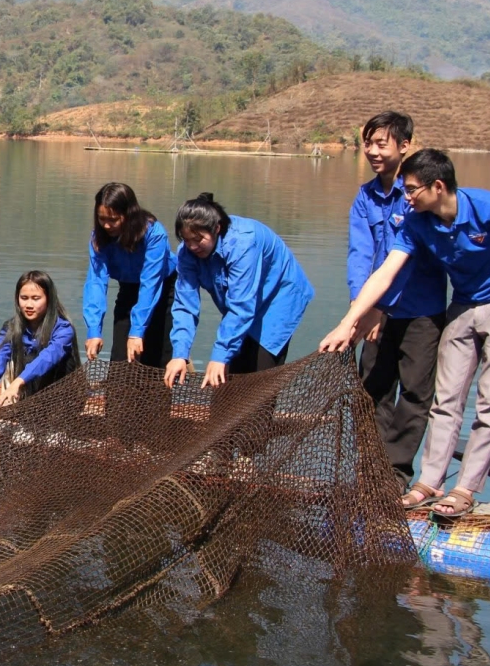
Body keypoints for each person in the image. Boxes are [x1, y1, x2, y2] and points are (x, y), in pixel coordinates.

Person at [319, 149, 490, 518]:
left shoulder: (489, 207)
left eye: (411, 190)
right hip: (463, 306)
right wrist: (349, 322)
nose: (406, 197)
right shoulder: (416, 223)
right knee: (445, 399)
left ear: (438, 187)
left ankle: (465, 488)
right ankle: (429, 482)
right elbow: (386, 273)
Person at [347, 111, 448, 488]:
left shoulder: (418, 195)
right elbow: (360, 253)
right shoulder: (365, 196)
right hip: (375, 310)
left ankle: (395, 474)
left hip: (421, 309)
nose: (373, 151)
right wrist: (360, 306)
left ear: (404, 146)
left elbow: (406, 261)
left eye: (380, 143)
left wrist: (377, 306)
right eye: (368, 144)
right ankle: (369, 471)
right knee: (371, 389)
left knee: (416, 393)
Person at [163, 193, 315, 389]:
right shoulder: (187, 252)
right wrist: (179, 355)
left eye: (198, 239)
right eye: (186, 239)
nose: (192, 245)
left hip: (277, 298)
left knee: (258, 377)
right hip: (241, 301)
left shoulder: (242, 243)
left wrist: (219, 356)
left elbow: (241, 306)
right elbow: (185, 305)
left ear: (216, 228)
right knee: (229, 380)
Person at [82, 182, 178, 367]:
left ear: (128, 215)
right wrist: (94, 331)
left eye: (114, 219)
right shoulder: (98, 239)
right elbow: (96, 282)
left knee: (156, 358)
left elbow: (151, 283)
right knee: (120, 359)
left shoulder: (154, 234)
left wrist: (137, 332)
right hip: (128, 288)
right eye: (102, 219)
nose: (107, 226)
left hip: (162, 288)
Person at [0, 270, 80, 414]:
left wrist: (19, 381)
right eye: (24, 298)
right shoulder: (11, 328)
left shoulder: (63, 329)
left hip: (62, 396)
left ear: (49, 299)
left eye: (36, 298)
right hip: (27, 391)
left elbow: (49, 357)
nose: (29, 304)